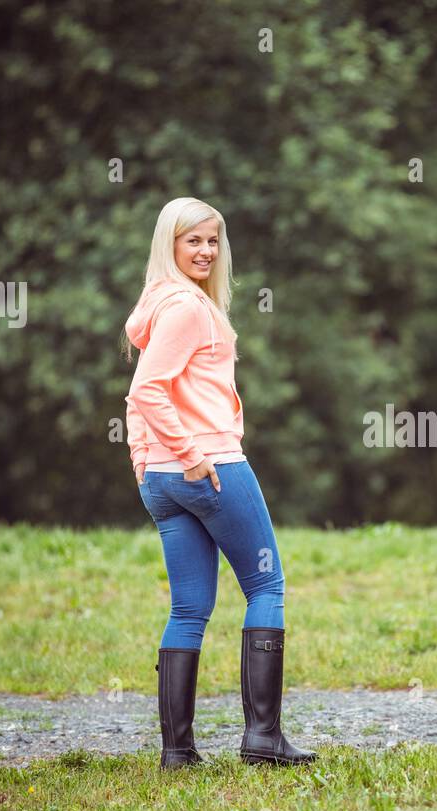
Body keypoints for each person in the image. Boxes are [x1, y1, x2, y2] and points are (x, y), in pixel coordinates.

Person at [121, 196, 315, 768]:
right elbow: (146, 392)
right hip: (210, 467)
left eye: (212, 241)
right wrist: (189, 454)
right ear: (169, 245)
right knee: (266, 586)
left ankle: (177, 752)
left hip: (162, 478)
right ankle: (262, 739)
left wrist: (144, 459)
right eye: (193, 241)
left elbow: (139, 392)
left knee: (189, 609)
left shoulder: (159, 304)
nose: (205, 251)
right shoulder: (187, 308)